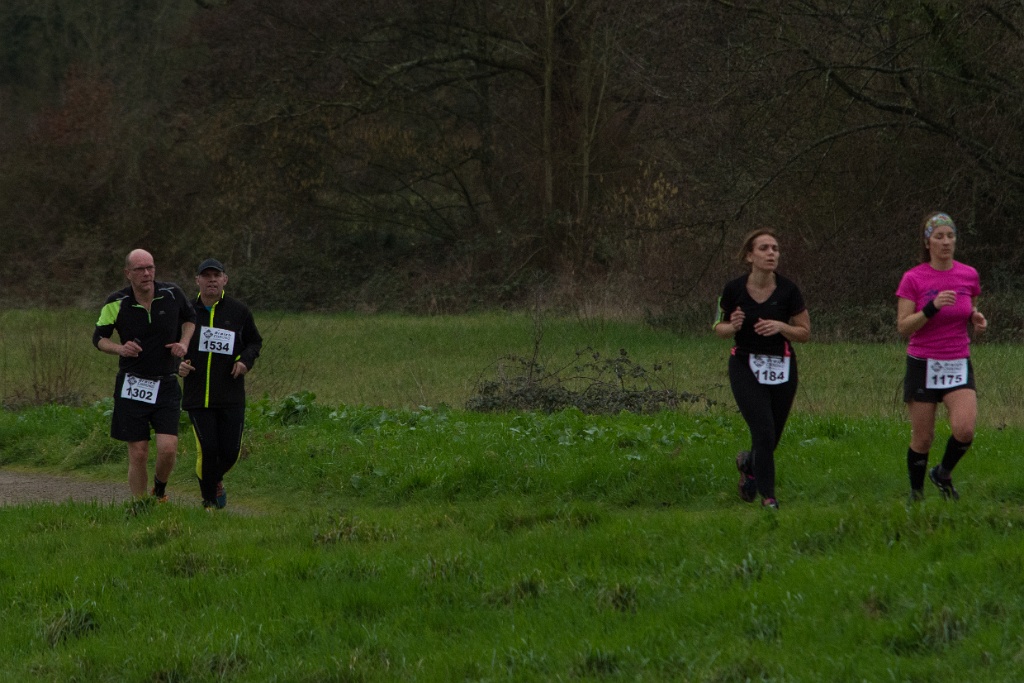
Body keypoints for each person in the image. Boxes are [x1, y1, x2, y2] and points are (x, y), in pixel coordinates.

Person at [713, 230, 811, 509]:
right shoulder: (733, 289)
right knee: (764, 430)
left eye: (775, 249)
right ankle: (769, 498)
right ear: (749, 256)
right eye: (764, 248)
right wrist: (732, 326)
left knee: (772, 436)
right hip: (745, 365)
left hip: (782, 366)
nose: (771, 253)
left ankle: (749, 465)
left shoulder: (788, 290)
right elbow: (717, 327)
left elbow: (805, 332)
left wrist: (781, 326)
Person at [896, 212, 987, 502]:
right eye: (939, 237)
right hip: (923, 363)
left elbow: (967, 307)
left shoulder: (968, 275)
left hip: (957, 360)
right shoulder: (913, 278)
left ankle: (943, 473)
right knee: (923, 438)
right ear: (928, 242)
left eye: (950, 236)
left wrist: (975, 317)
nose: (946, 242)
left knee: (965, 429)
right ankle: (916, 495)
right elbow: (903, 326)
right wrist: (931, 308)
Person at [93, 249, 196, 500]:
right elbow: (99, 338)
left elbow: (190, 319)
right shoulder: (116, 302)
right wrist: (120, 349)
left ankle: (159, 490)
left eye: (150, 267)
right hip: (132, 384)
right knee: (138, 452)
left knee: (168, 449)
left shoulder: (172, 293)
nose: (147, 273)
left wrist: (183, 343)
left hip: (166, 382)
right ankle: (140, 505)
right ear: (128, 273)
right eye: (140, 269)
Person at [178, 258, 263, 509]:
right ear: (198, 280)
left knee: (230, 453)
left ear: (225, 279)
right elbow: (171, 346)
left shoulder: (239, 311)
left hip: (230, 395)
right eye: (206, 276)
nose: (212, 280)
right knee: (208, 449)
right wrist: (178, 365)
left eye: (217, 276)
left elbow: (255, 342)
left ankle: (214, 481)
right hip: (198, 397)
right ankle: (208, 503)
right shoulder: (186, 312)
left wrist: (245, 361)